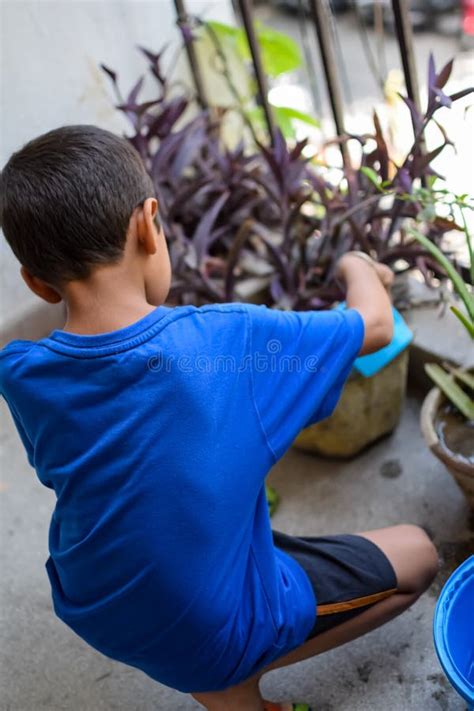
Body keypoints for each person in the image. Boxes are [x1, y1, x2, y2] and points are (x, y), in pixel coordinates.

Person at [0, 126, 438, 711]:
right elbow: (375, 325)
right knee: (419, 554)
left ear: (35, 280)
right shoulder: (227, 342)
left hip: (93, 600)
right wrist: (358, 266)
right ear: (146, 224)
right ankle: (230, 680)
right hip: (200, 623)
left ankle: (223, 672)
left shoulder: (22, 370)